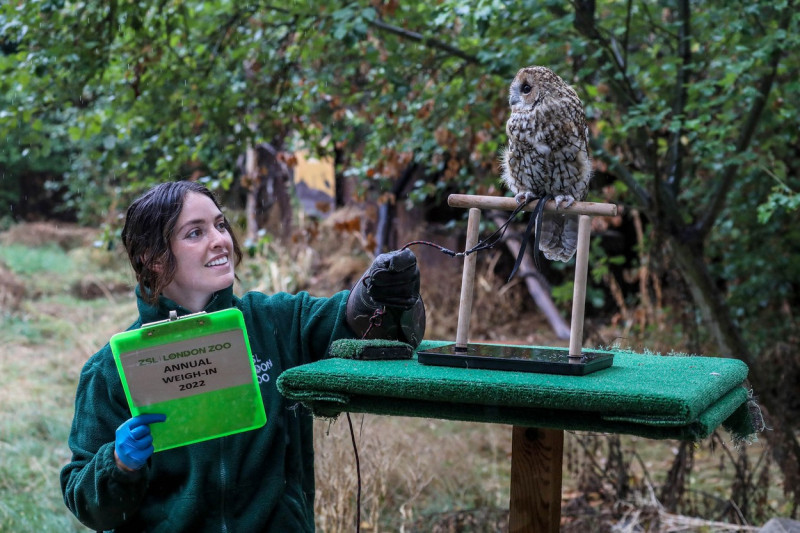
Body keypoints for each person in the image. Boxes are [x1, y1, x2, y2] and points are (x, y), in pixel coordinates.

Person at [60, 180, 425, 532]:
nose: (220, 240)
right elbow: (89, 506)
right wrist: (119, 464)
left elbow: (355, 324)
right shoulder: (111, 369)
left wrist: (382, 298)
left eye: (220, 225)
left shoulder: (278, 321)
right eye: (195, 232)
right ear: (152, 258)